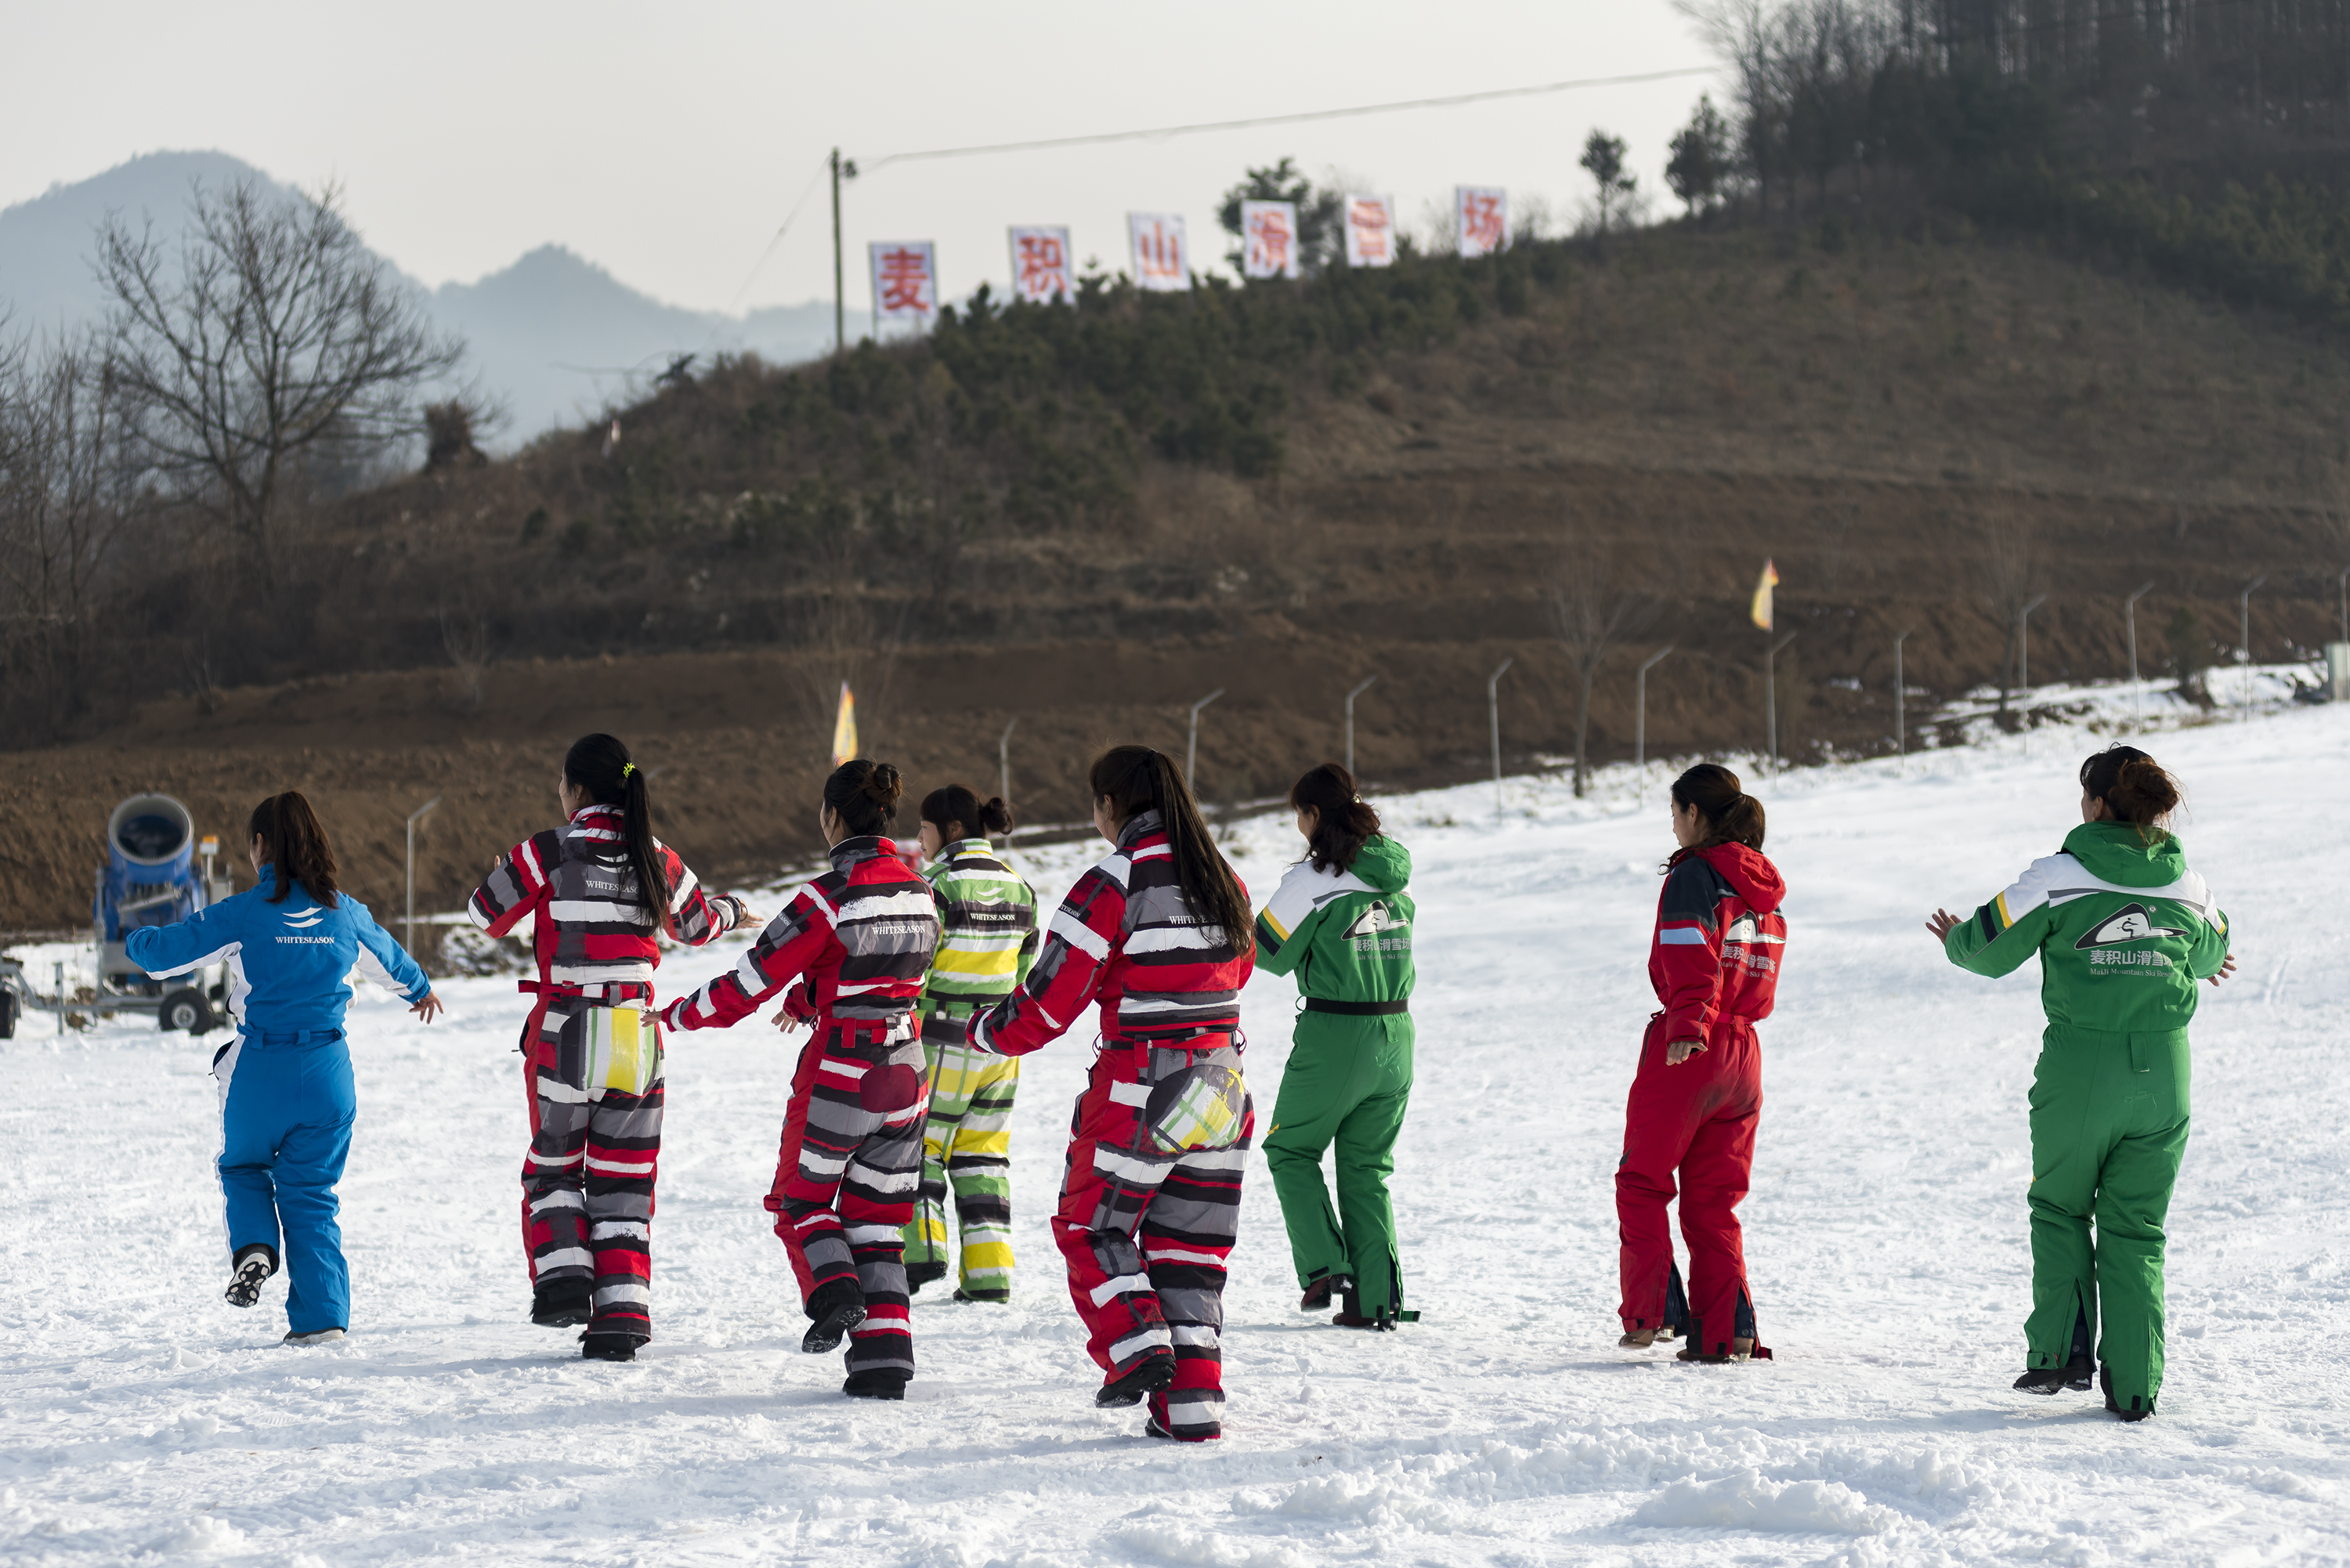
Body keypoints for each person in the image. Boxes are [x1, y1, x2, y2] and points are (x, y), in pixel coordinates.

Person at [1929, 743, 2233, 1422]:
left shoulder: (2059, 876)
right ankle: (2134, 1389)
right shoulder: (2190, 884)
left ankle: (2060, 1354)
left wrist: (1954, 940)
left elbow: (1985, 947)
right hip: (2167, 1076)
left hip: (2081, 1069)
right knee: (2137, 1230)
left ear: (2097, 804)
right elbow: (2213, 948)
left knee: (2063, 1207)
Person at [967, 746, 1256, 1442]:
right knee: (1190, 1254)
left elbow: (1046, 1003)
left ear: (1110, 807)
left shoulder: (1113, 881)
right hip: (1224, 1086)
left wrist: (982, 1034)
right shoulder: (1227, 881)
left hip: (1142, 1089)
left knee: (1089, 1227)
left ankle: (1136, 1347)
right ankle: (1191, 1409)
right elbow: (1240, 970)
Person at [465, 733, 754, 1362]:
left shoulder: (550, 848)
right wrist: (733, 910)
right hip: (635, 1033)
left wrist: (497, 874)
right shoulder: (658, 855)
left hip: (565, 1029)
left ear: (575, 790)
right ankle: (621, 1319)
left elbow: (484, 912)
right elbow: (700, 925)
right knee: (624, 1183)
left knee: (555, 1167)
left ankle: (566, 1281)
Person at [659, 761, 940, 1400]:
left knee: (801, 1201)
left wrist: (676, 1014)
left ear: (832, 818)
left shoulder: (826, 894)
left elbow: (748, 982)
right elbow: (879, 969)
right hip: (909, 1067)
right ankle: (884, 1363)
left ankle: (834, 1293)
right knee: (877, 1220)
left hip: (844, 1066)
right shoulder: (921, 891)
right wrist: (812, 996)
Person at [127, 790, 442, 1346]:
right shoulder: (346, 912)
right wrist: (420, 991)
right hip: (327, 1073)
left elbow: (163, 956)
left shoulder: (244, 912)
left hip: (260, 1072)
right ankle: (322, 1322)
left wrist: (136, 938)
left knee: (244, 1168)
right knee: (312, 1192)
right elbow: (392, 961)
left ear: (259, 846)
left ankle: (253, 1248)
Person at [1617, 763, 1786, 1364]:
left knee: (1641, 1181)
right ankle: (1727, 1330)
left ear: (1694, 813)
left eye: (1674, 812)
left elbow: (1692, 952)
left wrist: (1688, 1025)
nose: (1673, 824)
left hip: (1693, 1046)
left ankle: (1653, 1314)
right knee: (1714, 1203)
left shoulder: (1696, 876)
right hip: (1744, 1055)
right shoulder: (1762, 891)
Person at [1253, 763, 1416, 1331]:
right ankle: (1376, 1299)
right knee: (1366, 1167)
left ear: (1314, 815)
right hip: (1396, 1035)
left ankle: (1326, 1265)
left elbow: (1266, 953)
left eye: (1298, 813)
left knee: (1290, 1150)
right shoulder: (1392, 874)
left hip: (1336, 1035)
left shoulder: (1312, 881)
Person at [901, 784, 1038, 1303]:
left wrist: (905, 1033)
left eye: (924, 828)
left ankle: (924, 1254)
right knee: (984, 1155)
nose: (920, 838)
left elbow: (917, 969)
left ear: (951, 830)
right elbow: (1025, 971)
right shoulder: (1021, 887)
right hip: (1000, 1046)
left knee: (921, 1145)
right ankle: (989, 1277)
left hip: (941, 1038)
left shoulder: (935, 886)